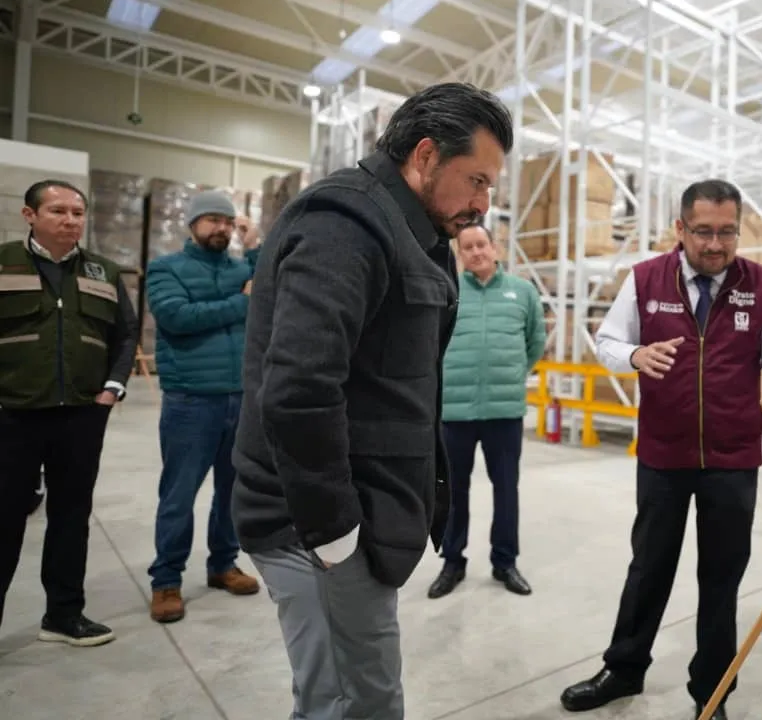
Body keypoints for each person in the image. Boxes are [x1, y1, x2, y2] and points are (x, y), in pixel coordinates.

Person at [231, 82, 513, 719]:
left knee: (362, 695)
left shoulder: (416, 233)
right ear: (423, 155)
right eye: (476, 180)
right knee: (352, 702)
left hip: (362, 513)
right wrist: (336, 533)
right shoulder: (345, 224)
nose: (483, 202)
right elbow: (299, 390)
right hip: (315, 524)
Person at [560, 179, 762, 719]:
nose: (715, 245)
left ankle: (712, 692)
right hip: (663, 453)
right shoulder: (645, 279)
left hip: (732, 459)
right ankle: (624, 668)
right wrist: (635, 355)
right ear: (679, 229)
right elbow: (608, 341)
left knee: (722, 579)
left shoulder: (760, 283)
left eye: (727, 232)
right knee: (649, 567)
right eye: (703, 232)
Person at [0, 180, 138, 646]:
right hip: (13, 415)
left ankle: (63, 616)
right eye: (57, 210)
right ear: (30, 215)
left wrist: (111, 390)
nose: (70, 219)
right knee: (5, 517)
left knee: (71, 515)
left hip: (81, 414)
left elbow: (125, 335)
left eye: (77, 212)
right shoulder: (3, 261)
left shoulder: (104, 270)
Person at [144, 193, 263, 624]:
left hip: (240, 397)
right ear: (193, 224)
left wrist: (254, 244)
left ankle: (223, 565)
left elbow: (271, 281)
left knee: (233, 492)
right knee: (179, 494)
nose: (221, 229)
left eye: (228, 222)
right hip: (191, 399)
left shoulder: (239, 268)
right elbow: (177, 316)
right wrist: (242, 303)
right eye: (212, 220)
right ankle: (166, 580)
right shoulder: (165, 268)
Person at [427, 221, 546, 600]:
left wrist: (511, 376)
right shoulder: (449, 291)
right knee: (453, 491)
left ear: (495, 248)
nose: (476, 252)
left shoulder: (522, 292)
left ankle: (505, 562)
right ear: (459, 254)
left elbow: (535, 342)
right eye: (468, 247)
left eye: (482, 244)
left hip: (504, 411)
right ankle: (452, 562)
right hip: (455, 413)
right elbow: (432, 344)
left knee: (506, 490)